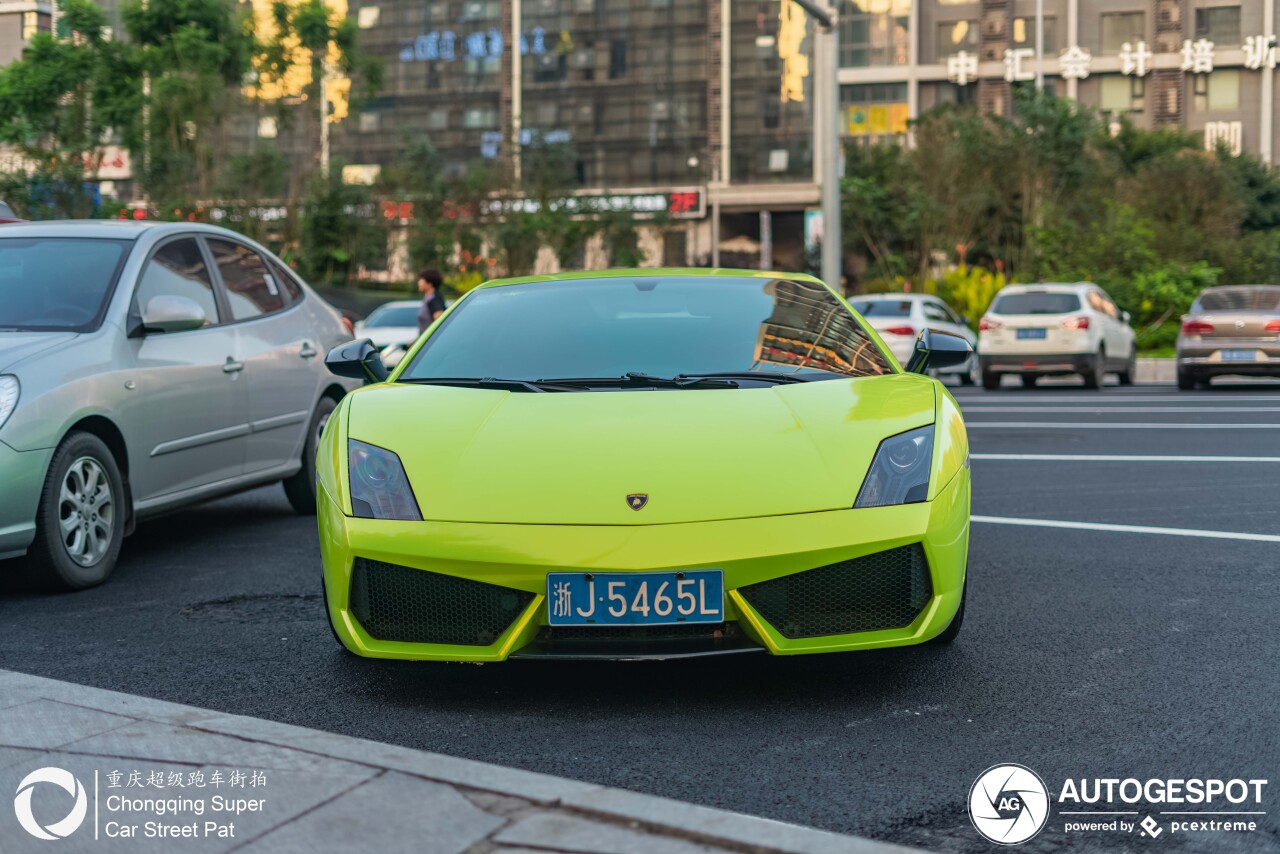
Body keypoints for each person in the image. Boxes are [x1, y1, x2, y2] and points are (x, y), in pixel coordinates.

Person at [416, 268, 446, 334]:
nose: (419, 282)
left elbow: (439, 322)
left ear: (430, 283)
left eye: (421, 280)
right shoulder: (428, 298)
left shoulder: (434, 299)